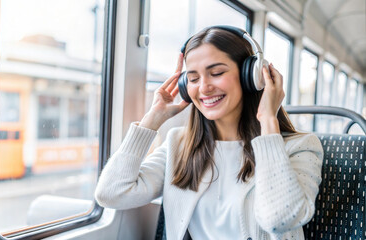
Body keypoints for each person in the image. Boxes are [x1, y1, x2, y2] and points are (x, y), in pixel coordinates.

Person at [95, 26, 323, 240]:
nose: (203, 87)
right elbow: (111, 193)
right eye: (193, 79)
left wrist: (268, 121)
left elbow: (280, 219)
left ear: (251, 76)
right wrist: (152, 120)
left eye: (216, 73)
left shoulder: (301, 146)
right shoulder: (179, 144)